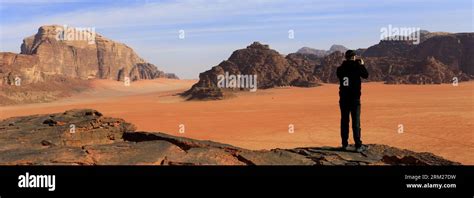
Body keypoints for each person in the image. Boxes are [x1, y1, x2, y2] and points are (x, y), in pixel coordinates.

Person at [336, 50, 369, 152]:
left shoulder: (340, 68)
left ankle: (344, 144)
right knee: (356, 122)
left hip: (344, 99)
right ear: (354, 57)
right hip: (354, 99)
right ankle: (358, 146)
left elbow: (340, 74)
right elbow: (366, 75)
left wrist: (346, 64)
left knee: (344, 121)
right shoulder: (357, 67)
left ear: (346, 57)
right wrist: (362, 65)